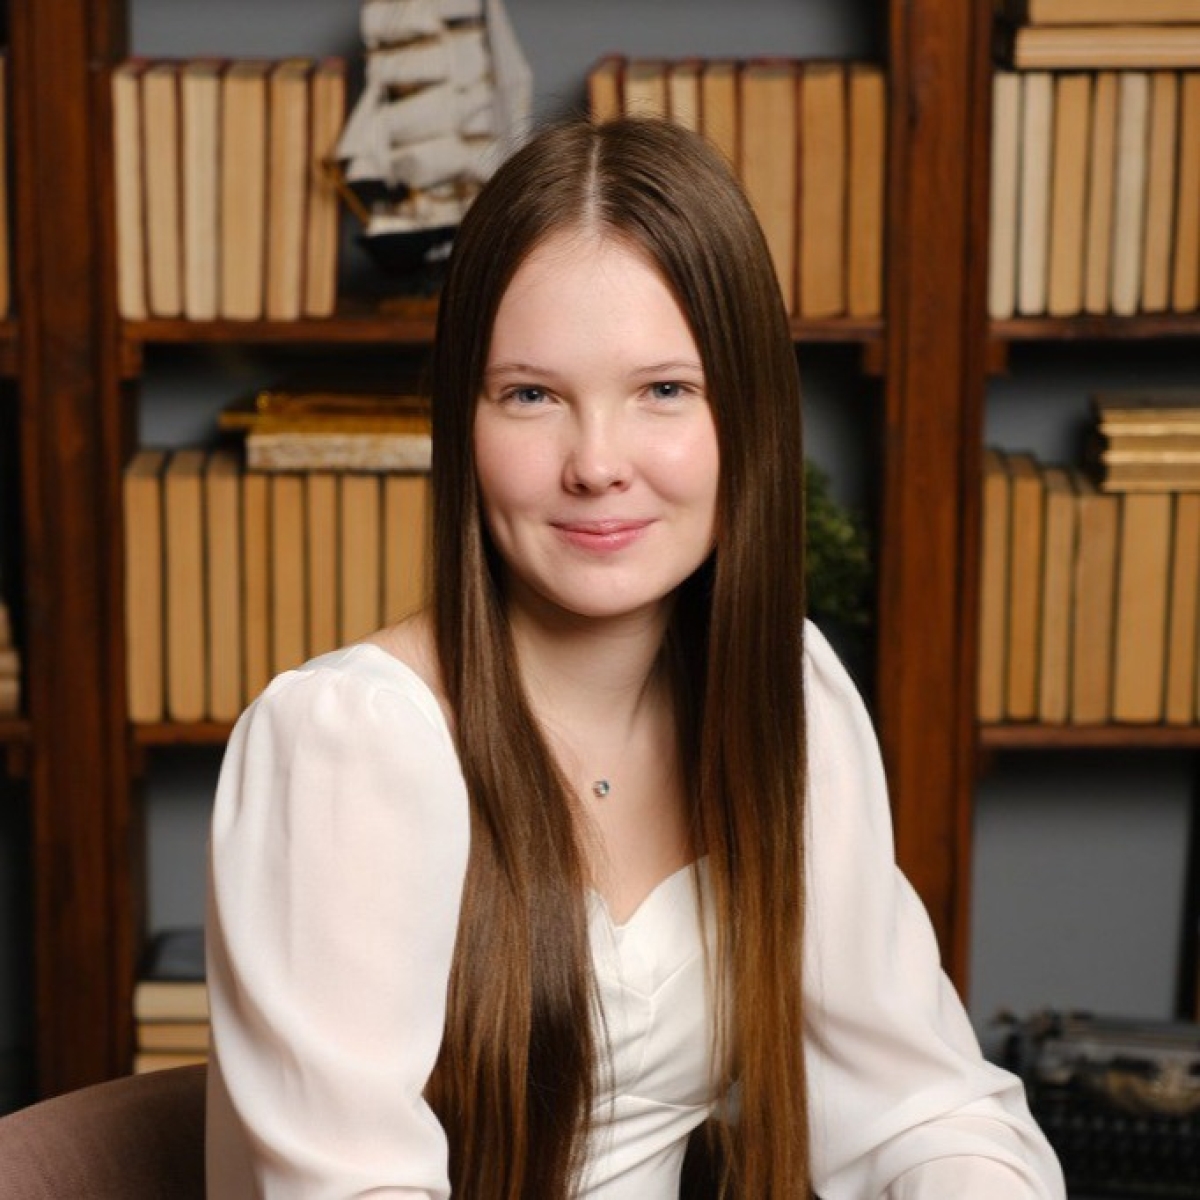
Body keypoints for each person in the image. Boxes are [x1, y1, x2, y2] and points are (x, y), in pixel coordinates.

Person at [205, 116, 1065, 1199]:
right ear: (462, 424)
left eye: (664, 390)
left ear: (746, 415)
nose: (597, 464)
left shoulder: (783, 693)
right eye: (531, 395)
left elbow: (917, 1101)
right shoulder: (350, 746)